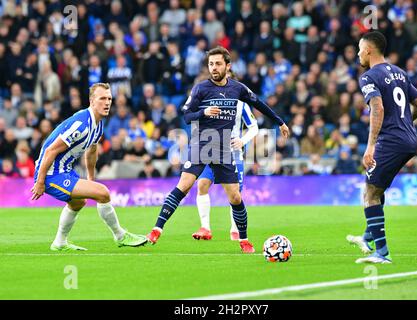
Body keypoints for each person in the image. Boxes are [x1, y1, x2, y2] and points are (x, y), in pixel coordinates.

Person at [145, 47, 290, 253]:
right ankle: (156, 229)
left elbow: (260, 104)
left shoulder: (238, 89)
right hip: (202, 144)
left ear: (227, 66)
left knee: (235, 197)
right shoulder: (200, 89)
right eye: (211, 64)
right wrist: (203, 111)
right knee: (184, 186)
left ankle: (244, 240)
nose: (214, 68)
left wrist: (280, 122)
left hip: (223, 148)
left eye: (218, 64)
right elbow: (186, 116)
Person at [31, 83, 147, 251]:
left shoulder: (98, 125)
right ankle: (120, 236)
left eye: (109, 99)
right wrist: (40, 181)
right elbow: (50, 151)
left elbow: (91, 152)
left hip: (65, 170)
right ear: (92, 101)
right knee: (103, 193)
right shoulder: (81, 124)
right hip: (50, 173)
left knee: (78, 202)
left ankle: (59, 243)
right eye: (102, 99)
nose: (107, 102)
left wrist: (91, 179)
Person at [346, 31, 417, 264]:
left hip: (391, 140)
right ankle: (368, 237)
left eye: (360, 49)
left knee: (370, 194)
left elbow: (377, 108)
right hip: (409, 139)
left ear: (369, 50)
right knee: (375, 189)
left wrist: (370, 146)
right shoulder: (400, 72)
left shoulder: (369, 76)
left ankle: (382, 252)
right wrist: (405, 123)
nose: (358, 53)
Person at [192, 98, 259, 241]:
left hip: (232, 153)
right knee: (202, 184)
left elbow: (254, 127)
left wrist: (242, 140)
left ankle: (235, 229)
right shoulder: (209, 101)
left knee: (235, 194)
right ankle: (205, 228)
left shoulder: (241, 105)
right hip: (210, 152)